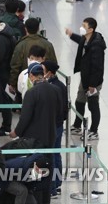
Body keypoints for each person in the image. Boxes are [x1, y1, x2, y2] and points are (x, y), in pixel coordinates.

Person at [66, 18, 106, 140]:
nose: (81, 27)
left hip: (93, 81)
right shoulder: (86, 37)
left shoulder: (97, 45)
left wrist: (92, 85)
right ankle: (77, 125)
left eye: (84, 26)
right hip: (85, 77)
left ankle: (94, 131)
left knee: (93, 105)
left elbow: (97, 67)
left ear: (91, 29)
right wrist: (71, 35)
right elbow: (81, 40)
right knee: (79, 101)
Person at [9, 18, 57, 94]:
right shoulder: (48, 44)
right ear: (38, 28)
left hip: (25, 83)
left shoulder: (20, 45)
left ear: (25, 29)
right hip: (45, 84)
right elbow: (54, 63)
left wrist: (12, 84)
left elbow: (15, 66)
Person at [42, 60, 68, 197]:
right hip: (58, 125)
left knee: (51, 156)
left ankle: (52, 187)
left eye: (43, 69)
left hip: (52, 126)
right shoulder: (61, 86)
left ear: (49, 73)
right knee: (56, 155)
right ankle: (57, 184)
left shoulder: (52, 87)